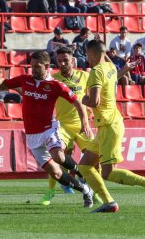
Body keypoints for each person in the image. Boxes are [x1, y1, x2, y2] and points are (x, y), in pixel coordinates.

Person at [0, 51, 94, 208]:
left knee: (58, 156)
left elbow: (77, 102)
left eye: (37, 67)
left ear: (46, 66)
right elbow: (2, 85)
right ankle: (85, 190)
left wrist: (85, 122)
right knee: (56, 173)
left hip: (49, 129)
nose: (33, 70)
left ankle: (81, 174)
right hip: (32, 136)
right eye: (31, 66)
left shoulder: (56, 86)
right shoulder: (25, 80)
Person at [79, 39, 145, 213]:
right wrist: (124, 68)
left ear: (93, 54)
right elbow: (113, 75)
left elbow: (94, 101)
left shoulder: (95, 71)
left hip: (109, 126)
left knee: (108, 173)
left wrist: (83, 99)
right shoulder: (109, 68)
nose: (86, 57)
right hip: (107, 125)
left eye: (87, 53)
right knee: (85, 166)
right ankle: (109, 202)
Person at [41, 47, 93, 205]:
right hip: (62, 126)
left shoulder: (85, 76)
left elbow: (95, 95)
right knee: (55, 157)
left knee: (93, 159)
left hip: (82, 125)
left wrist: (91, 111)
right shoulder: (52, 79)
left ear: (73, 61)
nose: (63, 63)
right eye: (59, 61)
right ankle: (50, 191)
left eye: (66, 60)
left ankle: (92, 191)